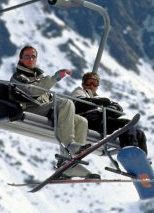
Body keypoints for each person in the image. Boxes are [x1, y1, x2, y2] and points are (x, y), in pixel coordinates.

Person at [10, 45, 96, 178]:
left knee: (81, 121)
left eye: (33, 56)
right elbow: (34, 91)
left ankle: (70, 163)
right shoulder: (19, 77)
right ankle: (70, 145)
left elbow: (47, 96)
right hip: (31, 110)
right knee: (65, 103)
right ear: (21, 59)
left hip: (44, 109)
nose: (30, 59)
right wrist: (55, 78)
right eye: (27, 56)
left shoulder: (38, 76)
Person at [70, 71, 148, 154]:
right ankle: (130, 151)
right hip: (87, 121)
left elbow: (118, 108)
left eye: (94, 83)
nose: (91, 86)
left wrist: (111, 108)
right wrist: (98, 103)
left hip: (101, 122)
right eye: (88, 83)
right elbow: (79, 104)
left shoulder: (98, 97)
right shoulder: (79, 92)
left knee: (134, 129)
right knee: (126, 125)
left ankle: (140, 156)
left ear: (97, 86)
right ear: (83, 84)